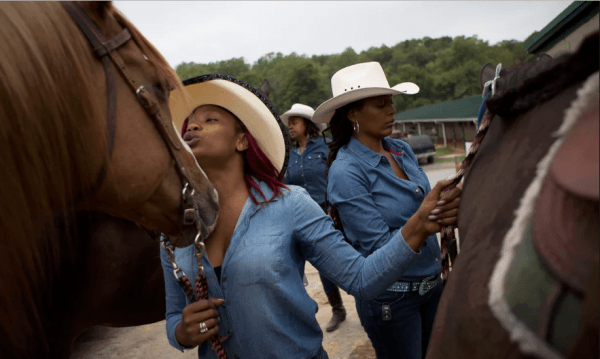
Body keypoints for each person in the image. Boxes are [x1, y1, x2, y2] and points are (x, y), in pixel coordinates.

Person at [161, 74, 460, 359]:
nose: (193, 127)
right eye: (189, 124)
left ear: (242, 141)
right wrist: (182, 332)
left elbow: (361, 278)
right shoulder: (175, 228)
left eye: (209, 120)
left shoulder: (289, 206)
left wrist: (418, 227)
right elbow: (175, 316)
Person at [312, 62, 460, 359]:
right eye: (381, 104)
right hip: (392, 302)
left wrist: (447, 207)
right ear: (352, 113)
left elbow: (423, 207)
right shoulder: (347, 171)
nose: (392, 110)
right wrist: (423, 221)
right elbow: (378, 247)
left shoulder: (400, 149)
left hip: (432, 287)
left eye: (391, 102)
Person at [281, 103, 347, 332]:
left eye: (294, 122)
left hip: (328, 212)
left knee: (339, 260)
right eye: (288, 123)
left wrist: (334, 209)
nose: (290, 127)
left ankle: (365, 299)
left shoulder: (324, 147)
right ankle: (338, 310)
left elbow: (334, 179)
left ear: (307, 125)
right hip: (300, 217)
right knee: (317, 264)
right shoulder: (287, 155)